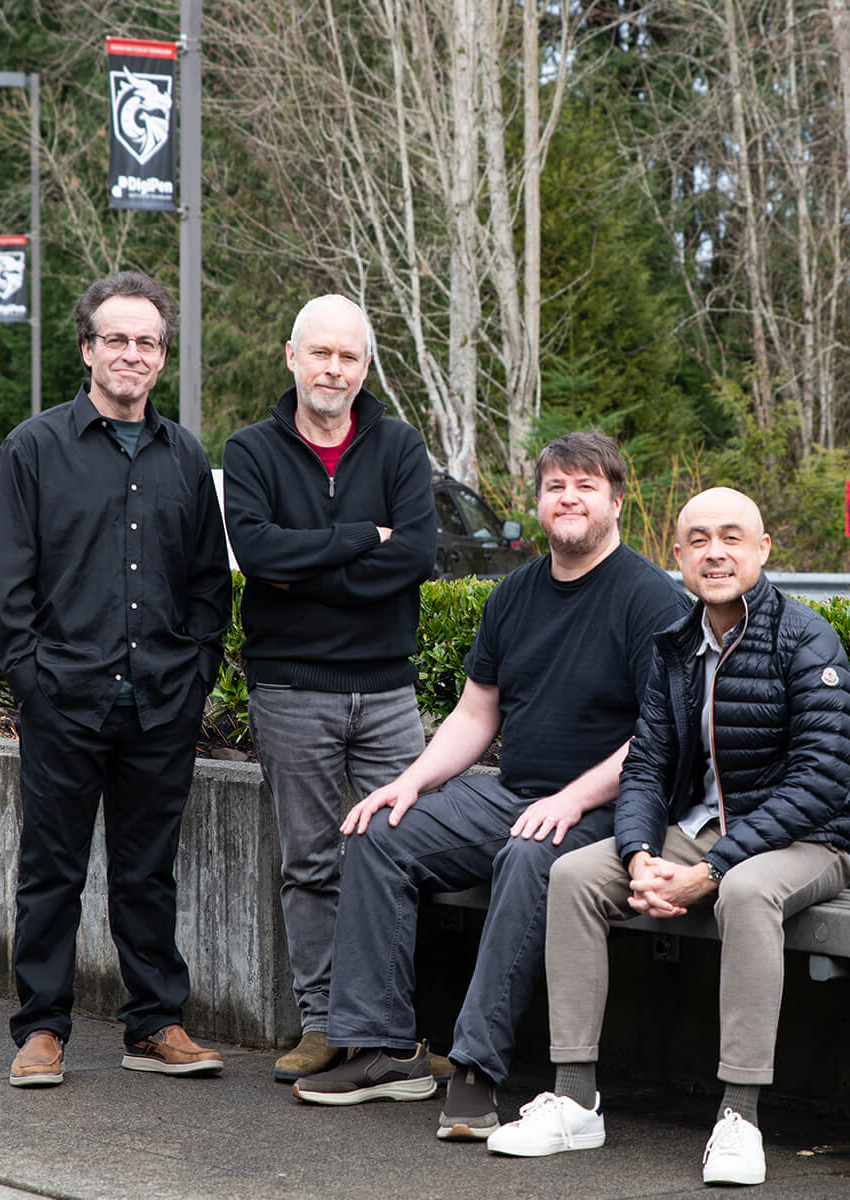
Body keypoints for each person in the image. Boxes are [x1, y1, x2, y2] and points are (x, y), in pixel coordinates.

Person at [291, 431, 690, 1143]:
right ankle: (388, 1051)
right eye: (556, 486)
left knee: (529, 858)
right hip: (515, 794)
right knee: (380, 832)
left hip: (607, 806)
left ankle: (476, 1067)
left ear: (617, 501)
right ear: (539, 502)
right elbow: (477, 714)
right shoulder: (514, 594)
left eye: (586, 486)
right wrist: (407, 783)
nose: (569, 498)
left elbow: (654, 739)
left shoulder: (650, 598)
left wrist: (571, 799)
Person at [487, 487, 850, 1185]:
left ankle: (740, 1115)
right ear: (679, 556)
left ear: (761, 550)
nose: (715, 553)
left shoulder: (808, 638)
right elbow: (647, 764)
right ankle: (575, 1099)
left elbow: (820, 778)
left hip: (807, 840)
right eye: (698, 540)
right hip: (697, 831)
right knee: (573, 874)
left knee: (746, 893)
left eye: (730, 538)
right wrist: (636, 854)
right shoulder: (675, 644)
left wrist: (712, 867)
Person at [0, 271, 231, 1088]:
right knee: (51, 869)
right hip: (64, 701)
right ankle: (42, 1029)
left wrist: (194, 676)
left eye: (147, 342)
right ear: (88, 348)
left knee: (147, 872)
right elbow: (7, 590)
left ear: (162, 357)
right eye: (117, 339)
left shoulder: (186, 456)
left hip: (160, 703)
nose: (132, 353)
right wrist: (34, 682)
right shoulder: (34, 449)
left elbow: (207, 586)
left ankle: (154, 1022)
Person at [220, 294, 439, 1083]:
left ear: (365, 366)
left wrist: (307, 569)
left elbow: (414, 556)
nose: (333, 370)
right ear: (292, 357)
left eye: (348, 357)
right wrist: (356, 542)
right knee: (311, 862)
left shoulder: (402, 449)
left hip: (385, 692)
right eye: (320, 354)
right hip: (291, 691)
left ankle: (387, 1028)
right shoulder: (251, 451)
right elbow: (258, 553)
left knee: (395, 856)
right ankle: (321, 1025)